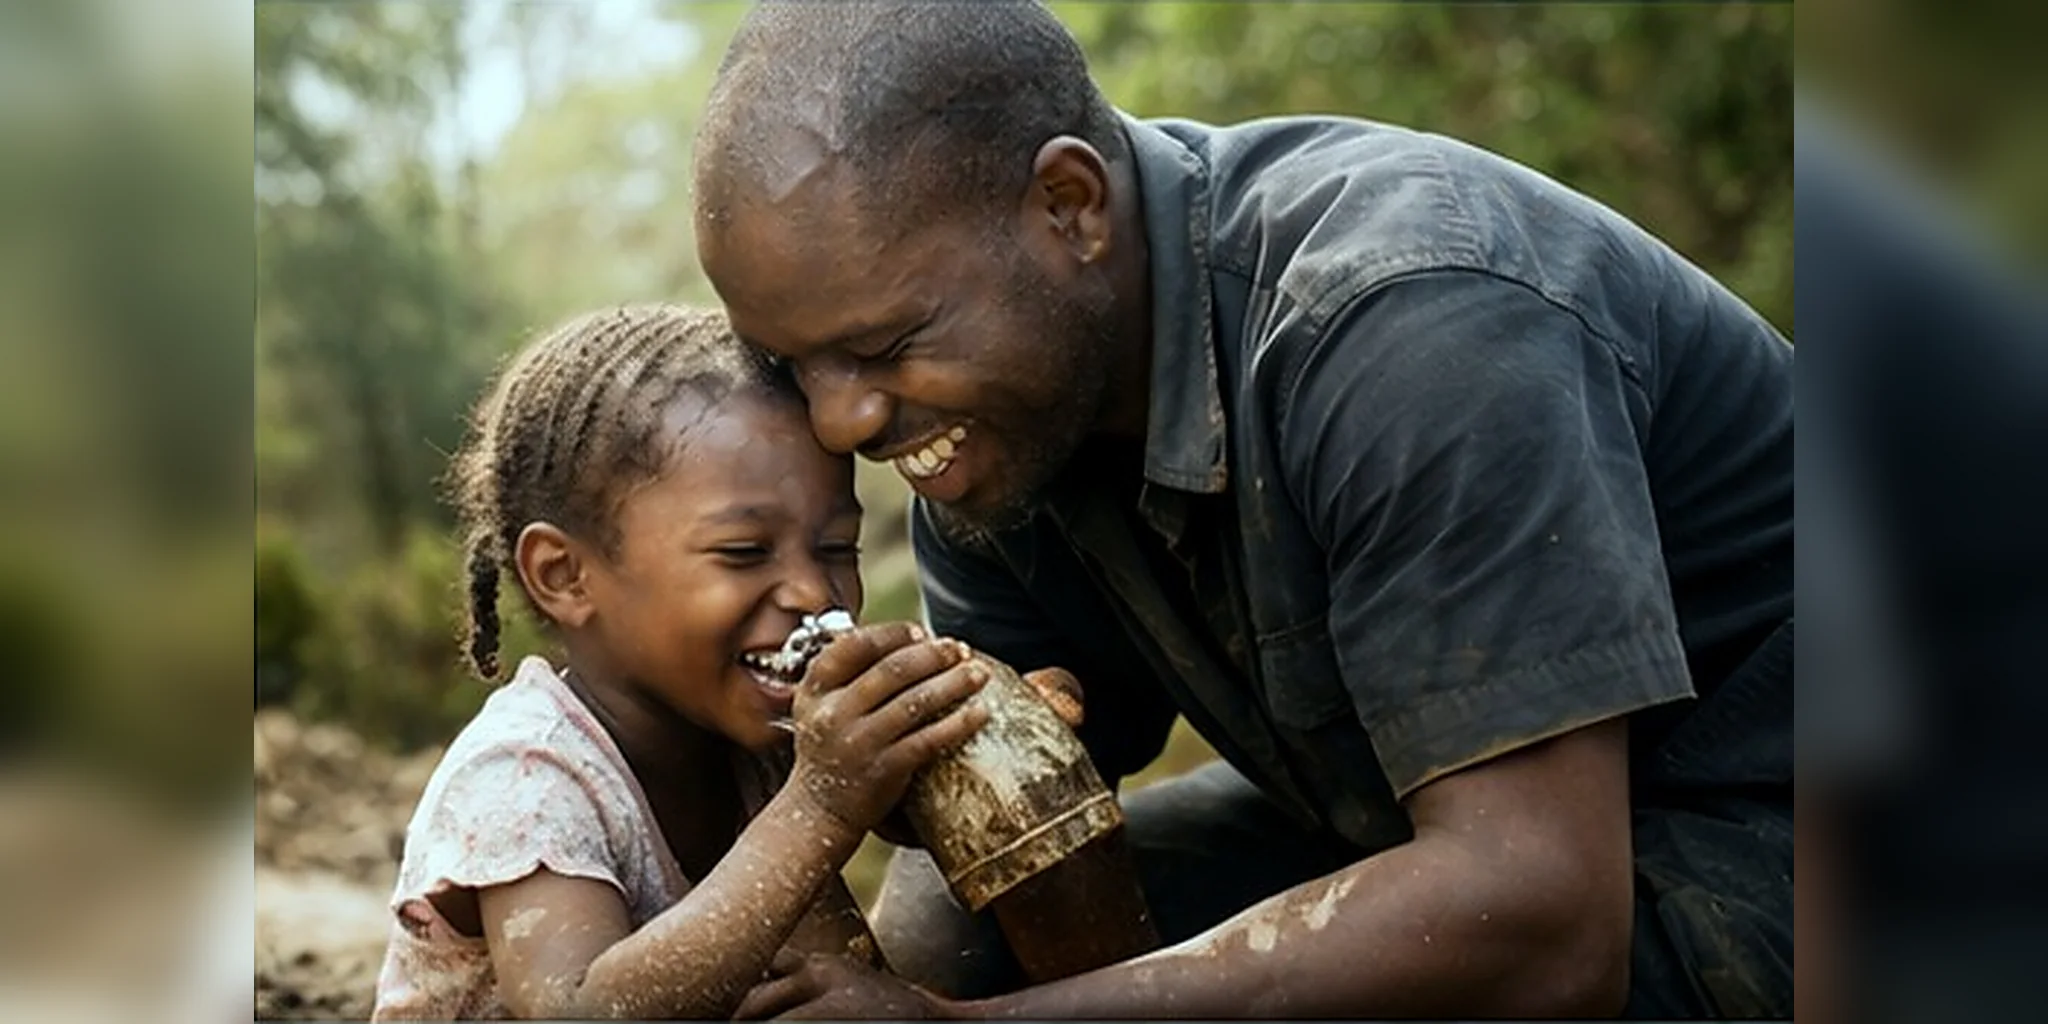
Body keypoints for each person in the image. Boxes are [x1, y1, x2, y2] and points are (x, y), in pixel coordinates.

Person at [692, 1, 1792, 1019]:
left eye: (883, 348)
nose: (841, 424)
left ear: (1068, 207)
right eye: (796, 364)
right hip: (1447, 828)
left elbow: (1545, 925)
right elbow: (1012, 832)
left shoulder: (1404, 327)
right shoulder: (1001, 434)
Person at [368, 304, 994, 1019]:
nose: (814, 593)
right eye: (743, 553)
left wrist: (960, 742)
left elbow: (827, 980)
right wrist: (821, 803)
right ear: (565, 575)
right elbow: (579, 1015)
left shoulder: (756, 737)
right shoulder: (525, 780)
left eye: (835, 549)